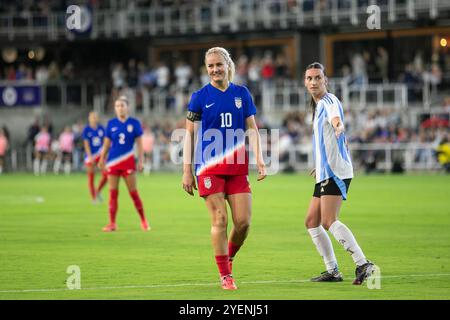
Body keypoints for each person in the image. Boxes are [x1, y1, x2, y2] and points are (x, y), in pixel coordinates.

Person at [182, 47, 266, 290]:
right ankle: (225, 275)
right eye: (210, 66)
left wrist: (260, 159)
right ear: (206, 69)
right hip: (208, 167)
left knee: (243, 223)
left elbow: (252, 128)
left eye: (219, 64)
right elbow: (189, 135)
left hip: (237, 168)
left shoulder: (242, 93)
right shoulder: (199, 96)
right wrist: (187, 170)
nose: (215, 69)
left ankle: (227, 258)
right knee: (220, 219)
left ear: (228, 65)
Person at [303, 62, 375, 285]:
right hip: (326, 170)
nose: (314, 82)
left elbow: (336, 121)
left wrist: (338, 126)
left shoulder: (329, 101)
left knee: (328, 221)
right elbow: (326, 142)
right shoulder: (316, 107)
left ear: (325, 80)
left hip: (335, 172)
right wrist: (320, 163)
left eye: (317, 78)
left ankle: (363, 263)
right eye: (309, 78)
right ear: (305, 82)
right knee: (311, 221)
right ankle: (332, 270)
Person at [98, 96, 150, 232]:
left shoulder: (134, 123)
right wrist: (102, 158)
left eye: (122, 105)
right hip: (113, 162)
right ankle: (112, 223)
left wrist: (141, 160)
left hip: (128, 162)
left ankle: (144, 221)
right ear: (115, 109)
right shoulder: (111, 124)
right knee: (113, 194)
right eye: (117, 106)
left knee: (133, 193)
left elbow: (139, 144)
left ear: (127, 107)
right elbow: (106, 144)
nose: (120, 108)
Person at [83, 112, 108, 202]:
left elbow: (105, 142)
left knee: (107, 174)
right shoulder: (86, 129)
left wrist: (104, 154)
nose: (94, 119)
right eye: (92, 117)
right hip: (90, 155)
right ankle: (94, 198)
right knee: (91, 177)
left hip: (100, 154)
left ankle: (97, 191)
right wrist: (90, 157)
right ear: (89, 118)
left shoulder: (101, 128)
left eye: (95, 117)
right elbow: (86, 144)